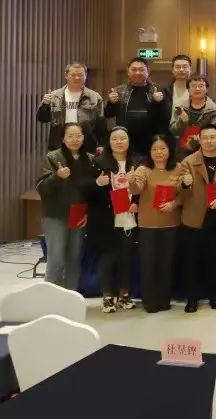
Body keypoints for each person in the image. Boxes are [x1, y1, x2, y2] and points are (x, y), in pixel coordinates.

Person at [175, 124, 216, 312]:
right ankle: (192, 299)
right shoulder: (188, 161)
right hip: (194, 216)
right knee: (191, 261)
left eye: (212, 137)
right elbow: (179, 192)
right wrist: (185, 184)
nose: (209, 141)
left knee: (214, 260)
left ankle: (215, 297)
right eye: (205, 137)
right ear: (199, 139)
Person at [36, 123, 94, 290]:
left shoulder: (90, 159)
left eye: (78, 136)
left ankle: (70, 296)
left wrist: (89, 213)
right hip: (56, 215)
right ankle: (51, 296)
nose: (75, 139)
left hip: (79, 215)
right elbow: (42, 188)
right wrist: (57, 176)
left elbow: (93, 191)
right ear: (62, 139)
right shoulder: (53, 157)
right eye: (70, 136)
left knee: (74, 258)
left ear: (84, 137)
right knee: (56, 258)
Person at [88, 127, 140, 312]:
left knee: (126, 258)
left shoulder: (137, 162)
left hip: (129, 217)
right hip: (107, 217)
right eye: (115, 139)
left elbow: (144, 188)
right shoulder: (98, 163)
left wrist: (136, 202)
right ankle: (107, 297)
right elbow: (87, 191)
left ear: (129, 141)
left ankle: (124, 295)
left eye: (122, 138)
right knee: (108, 258)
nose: (119, 142)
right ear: (109, 142)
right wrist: (97, 184)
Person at [130, 135, 182, 313]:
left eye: (163, 148)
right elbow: (136, 189)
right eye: (155, 149)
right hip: (148, 225)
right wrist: (131, 181)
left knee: (167, 264)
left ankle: (164, 300)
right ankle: (150, 301)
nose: (159, 152)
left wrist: (174, 204)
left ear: (169, 150)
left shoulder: (178, 168)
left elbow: (184, 193)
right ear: (149, 152)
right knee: (148, 263)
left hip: (171, 223)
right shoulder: (143, 169)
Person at [104, 57, 171, 155]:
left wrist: (159, 103)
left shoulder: (158, 90)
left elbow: (166, 118)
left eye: (141, 70)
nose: (138, 73)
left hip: (151, 140)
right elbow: (108, 114)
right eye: (134, 69)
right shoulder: (119, 91)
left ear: (148, 71)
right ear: (128, 71)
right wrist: (111, 103)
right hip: (126, 139)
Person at [37, 61, 107, 153]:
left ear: (86, 76)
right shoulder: (54, 96)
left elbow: (101, 124)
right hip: (59, 145)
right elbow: (42, 118)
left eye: (80, 75)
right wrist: (45, 104)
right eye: (73, 75)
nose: (77, 78)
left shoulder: (95, 97)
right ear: (66, 75)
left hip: (87, 146)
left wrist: (101, 144)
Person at [170, 75, 216, 160]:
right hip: (182, 153)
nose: (197, 89)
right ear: (188, 89)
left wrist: (193, 143)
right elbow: (173, 131)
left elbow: (214, 133)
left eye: (201, 86)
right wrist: (182, 121)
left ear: (206, 89)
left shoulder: (214, 110)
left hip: (206, 152)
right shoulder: (180, 108)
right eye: (193, 86)